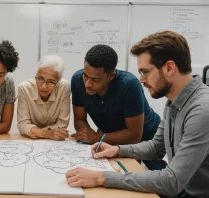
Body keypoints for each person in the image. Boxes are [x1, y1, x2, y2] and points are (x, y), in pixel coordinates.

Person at [65, 31, 209, 198]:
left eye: (145, 72)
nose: (141, 79)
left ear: (169, 68)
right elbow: (156, 147)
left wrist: (101, 177)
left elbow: (172, 181)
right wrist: (117, 150)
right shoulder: (174, 100)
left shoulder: (202, 109)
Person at [71, 44, 160, 145]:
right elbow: (79, 120)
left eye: (96, 80)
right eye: (85, 76)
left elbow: (134, 136)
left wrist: (97, 137)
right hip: (108, 136)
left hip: (147, 138)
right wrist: (88, 136)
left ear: (111, 76)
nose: (87, 84)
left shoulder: (129, 85)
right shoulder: (77, 80)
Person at [17, 55, 70, 140]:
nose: (44, 86)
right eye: (40, 78)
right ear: (36, 75)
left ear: (58, 81)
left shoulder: (64, 88)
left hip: (54, 142)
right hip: (30, 141)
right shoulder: (24, 89)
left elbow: (62, 124)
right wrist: (47, 133)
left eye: (51, 82)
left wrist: (35, 131)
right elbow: (23, 124)